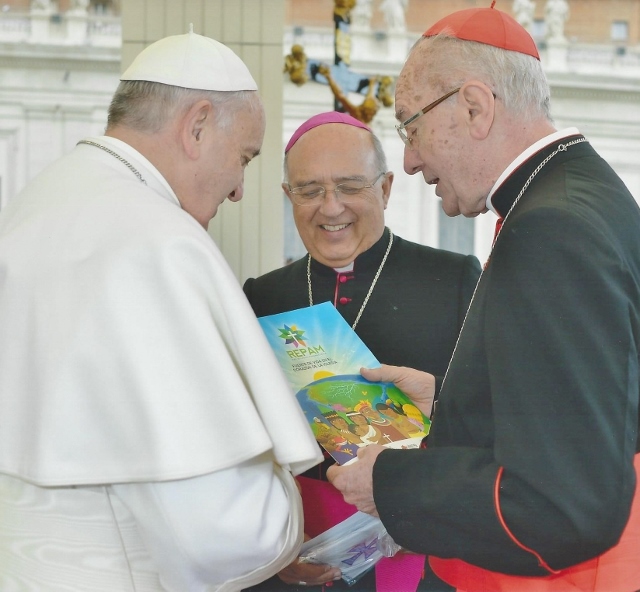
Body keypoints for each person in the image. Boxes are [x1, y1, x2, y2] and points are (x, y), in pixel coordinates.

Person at [327, 6, 640, 592]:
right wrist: (452, 399)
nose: (411, 161)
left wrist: (391, 484)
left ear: (474, 107)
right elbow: (596, 402)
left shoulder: (552, 229)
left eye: (409, 127)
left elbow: (559, 504)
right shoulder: (579, 191)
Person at [0, 31, 323, 591]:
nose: (240, 189)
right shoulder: (156, 242)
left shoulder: (35, 205)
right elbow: (225, 534)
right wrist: (287, 512)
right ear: (197, 125)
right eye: (244, 157)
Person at [243, 111, 481, 591]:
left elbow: (486, 418)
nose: (331, 208)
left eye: (350, 186)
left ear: (386, 189)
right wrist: (275, 539)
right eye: (309, 190)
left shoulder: (453, 280)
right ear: (289, 197)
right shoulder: (260, 297)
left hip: (418, 545)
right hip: (296, 555)